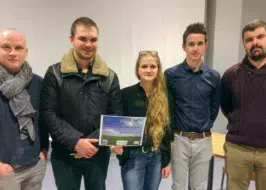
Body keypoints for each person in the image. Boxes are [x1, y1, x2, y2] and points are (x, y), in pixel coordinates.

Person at [40, 17, 122, 190]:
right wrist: (76, 141)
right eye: (82, 39)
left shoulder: (109, 76)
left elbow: (115, 115)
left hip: (97, 153)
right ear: (72, 39)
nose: (88, 44)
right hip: (65, 153)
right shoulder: (55, 73)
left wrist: (91, 144)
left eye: (93, 39)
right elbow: (48, 113)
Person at [221, 19, 266, 190]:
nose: (255, 43)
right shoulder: (230, 75)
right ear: (244, 44)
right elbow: (227, 107)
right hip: (238, 149)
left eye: (260, 37)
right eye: (249, 39)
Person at [164, 23, 220, 190]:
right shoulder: (171, 75)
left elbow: (214, 108)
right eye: (191, 44)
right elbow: (169, 108)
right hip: (179, 139)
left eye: (199, 44)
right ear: (184, 46)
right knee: (178, 186)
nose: (195, 48)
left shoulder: (214, 77)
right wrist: (171, 138)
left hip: (203, 140)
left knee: (199, 186)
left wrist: (203, 126)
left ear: (205, 46)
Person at [112, 51, 171, 190]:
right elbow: (117, 124)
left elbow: (167, 131)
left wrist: (167, 161)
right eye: (144, 66)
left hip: (156, 157)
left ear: (158, 69)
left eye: (153, 66)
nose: (149, 70)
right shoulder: (125, 94)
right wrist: (116, 145)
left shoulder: (165, 96)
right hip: (133, 156)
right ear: (138, 69)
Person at [0, 29, 48, 190]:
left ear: (25, 52)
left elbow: (43, 120)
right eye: (6, 47)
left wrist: (44, 152)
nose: (13, 53)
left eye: (19, 48)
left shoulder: (37, 82)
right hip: (4, 170)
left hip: (34, 165)